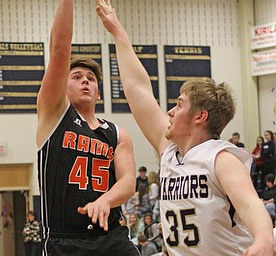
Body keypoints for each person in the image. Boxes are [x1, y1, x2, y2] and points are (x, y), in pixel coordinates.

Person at [96, 0, 274, 255]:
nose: (170, 111)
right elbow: (138, 90)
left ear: (199, 116)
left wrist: (264, 238)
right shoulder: (169, 150)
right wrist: (117, 31)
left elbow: (249, 205)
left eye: (179, 105)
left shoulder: (220, 158)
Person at [36, 1, 139, 255]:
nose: (85, 81)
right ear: (63, 85)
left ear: (98, 92)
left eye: (90, 79)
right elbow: (60, 50)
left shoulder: (116, 133)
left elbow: (128, 181)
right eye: (77, 77)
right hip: (65, 240)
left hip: (111, 234)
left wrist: (106, 200)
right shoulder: (54, 115)